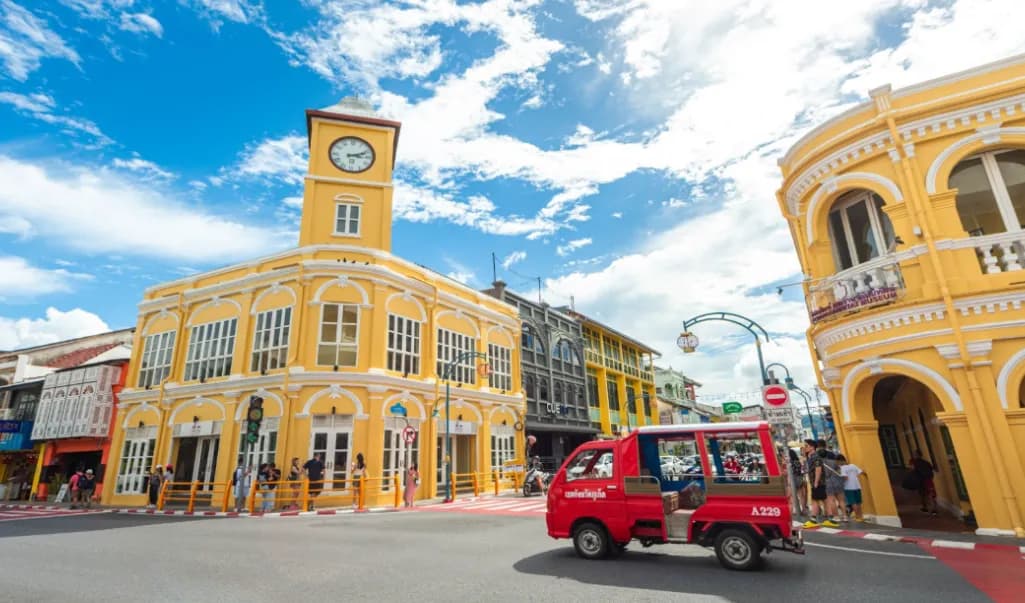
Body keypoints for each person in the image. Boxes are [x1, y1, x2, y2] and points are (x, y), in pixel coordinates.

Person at [838, 455, 864, 521]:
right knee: (858, 502)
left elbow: (845, 478)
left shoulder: (842, 468)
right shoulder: (853, 465)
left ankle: (857, 517)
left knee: (853, 502)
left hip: (848, 487)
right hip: (857, 486)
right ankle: (861, 516)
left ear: (840, 461)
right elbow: (861, 472)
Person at [911, 450, 938, 515]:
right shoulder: (926, 462)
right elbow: (931, 469)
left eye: (914, 454)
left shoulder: (915, 463)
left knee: (922, 494)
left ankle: (925, 508)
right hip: (928, 479)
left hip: (921, 480)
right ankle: (934, 509)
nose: (914, 455)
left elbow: (913, 471)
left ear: (916, 455)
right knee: (931, 494)